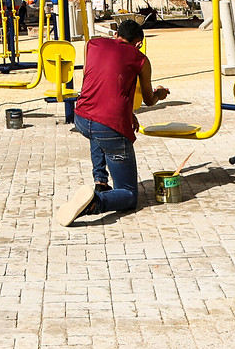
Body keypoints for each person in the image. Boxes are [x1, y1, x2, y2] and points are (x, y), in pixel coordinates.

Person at [57, 18, 169, 226]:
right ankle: (95, 203)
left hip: (81, 117)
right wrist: (160, 95)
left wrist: (126, 112)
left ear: (116, 34)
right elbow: (148, 100)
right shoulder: (140, 59)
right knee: (128, 194)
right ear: (138, 43)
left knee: (96, 126)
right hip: (109, 127)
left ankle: (100, 181)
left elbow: (98, 83)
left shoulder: (93, 45)